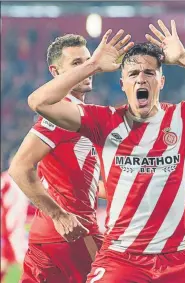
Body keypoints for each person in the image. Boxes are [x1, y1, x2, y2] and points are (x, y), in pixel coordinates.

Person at [26, 20, 185, 283]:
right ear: (122, 84)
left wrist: (184, 57)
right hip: (121, 258)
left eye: (149, 73)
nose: (141, 78)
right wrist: (93, 65)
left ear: (161, 81)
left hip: (178, 258)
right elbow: (38, 102)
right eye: (133, 74)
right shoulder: (102, 121)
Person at [8, 34, 106, 283]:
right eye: (77, 64)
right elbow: (19, 167)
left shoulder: (81, 115)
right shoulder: (61, 115)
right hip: (72, 235)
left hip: (56, 236)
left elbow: (80, 183)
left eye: (88, 60)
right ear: (55, 72)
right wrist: (59, 215)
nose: (87, 68)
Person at [1, 165, 29, 282]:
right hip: (11, 229)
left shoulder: (21, 182)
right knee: (26, 263)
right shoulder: (6, 180)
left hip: (15, 229)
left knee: (5, 261)